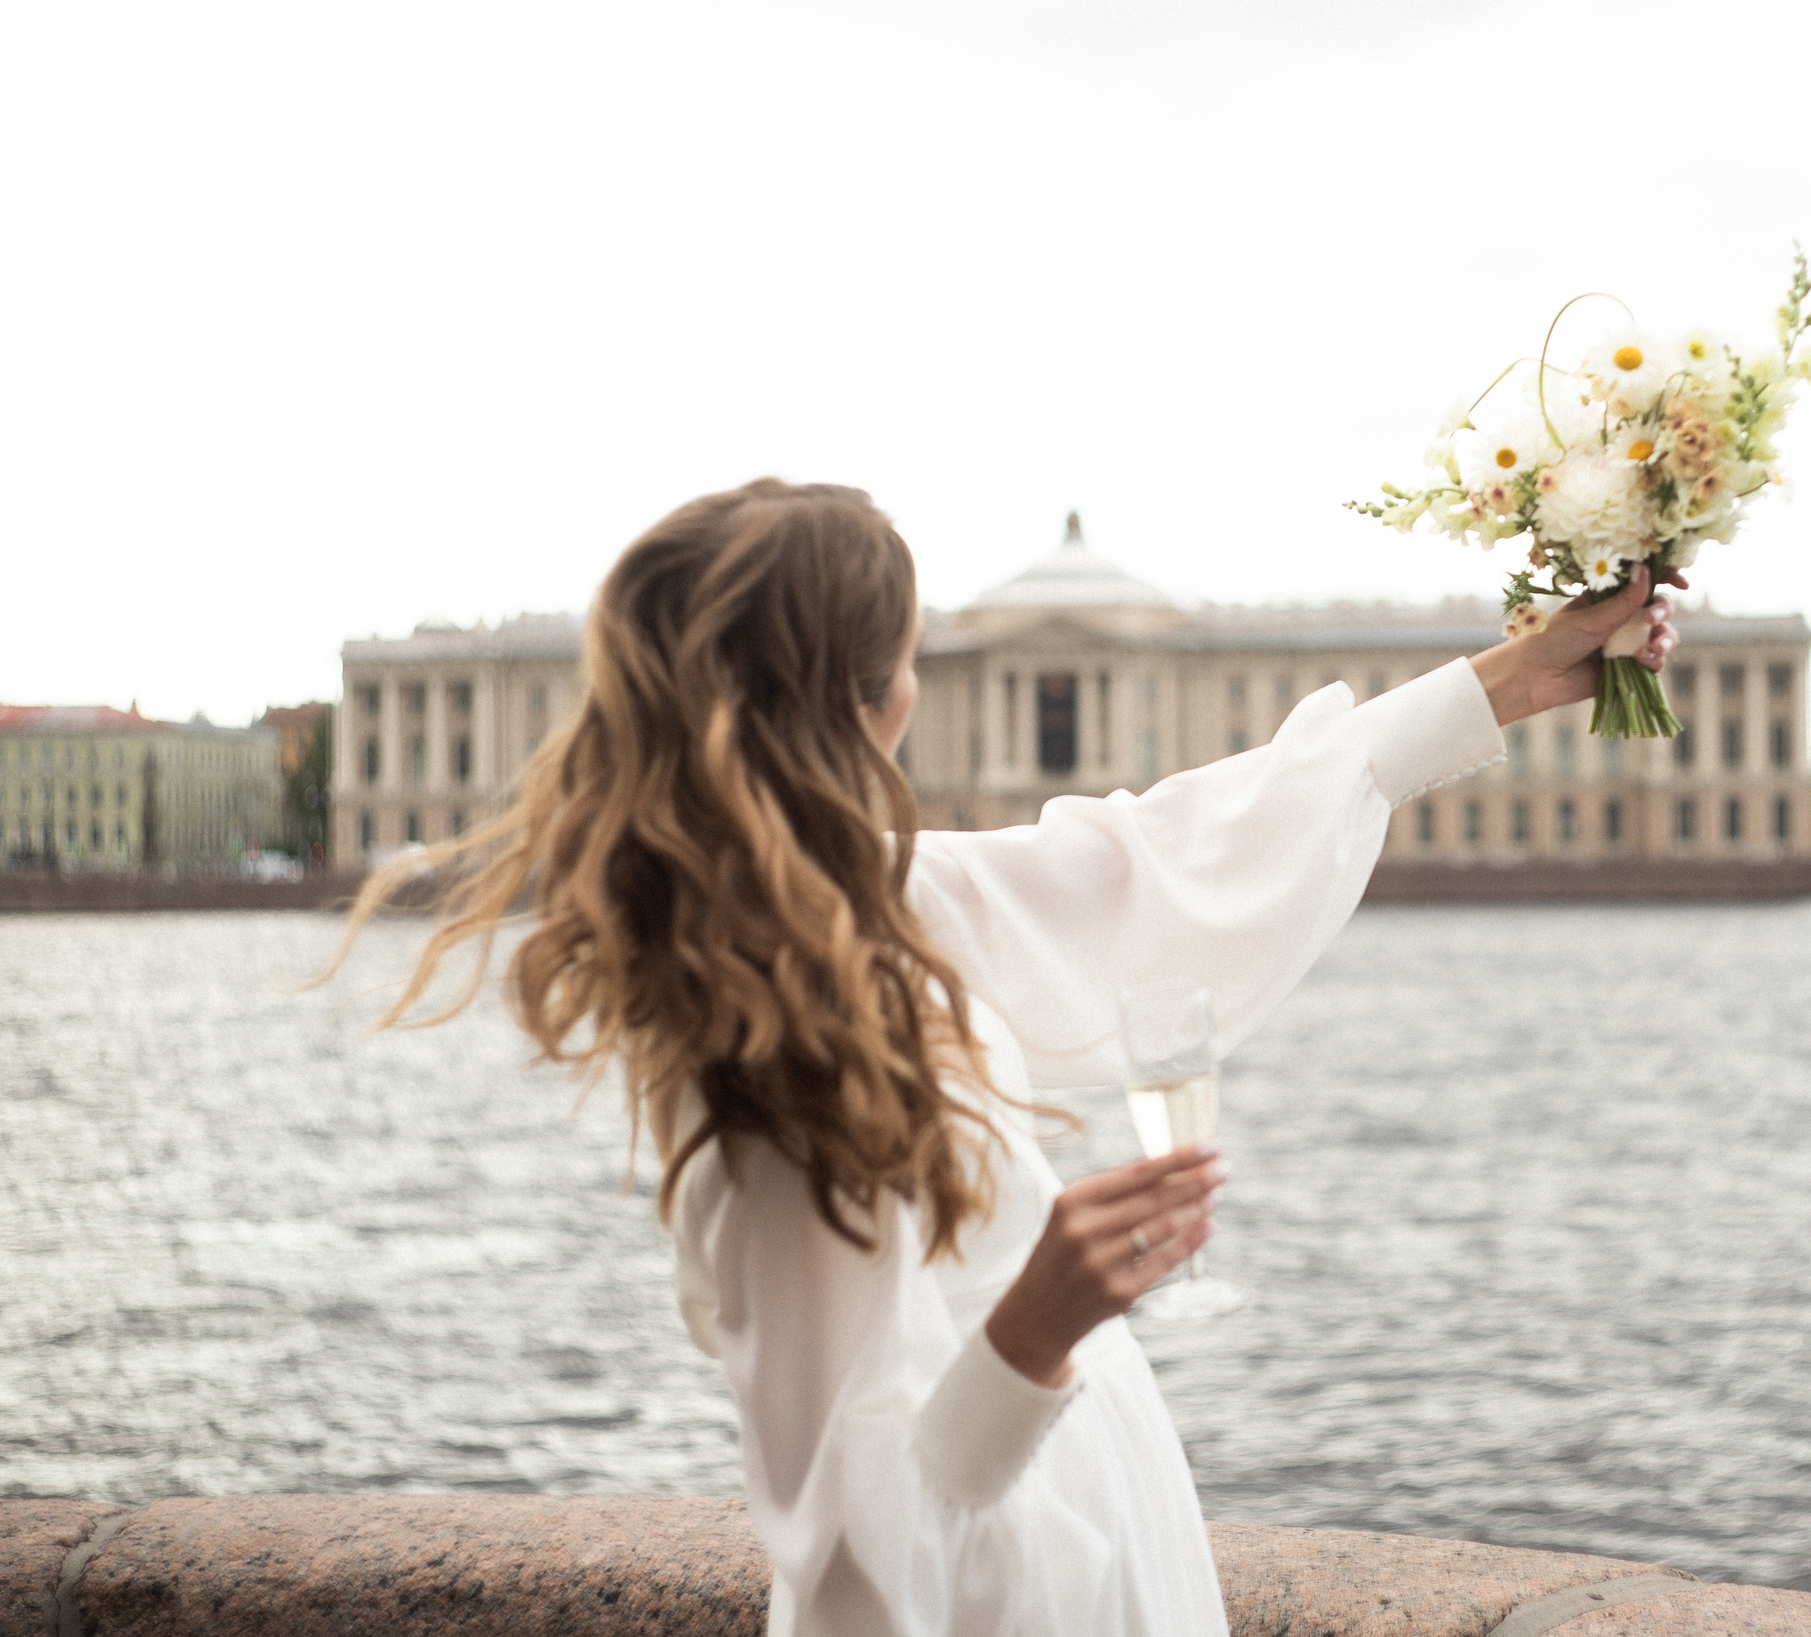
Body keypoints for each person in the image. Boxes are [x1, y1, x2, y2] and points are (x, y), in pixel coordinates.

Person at [342, 478, 1679, 1637]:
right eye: (909, 655)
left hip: (1081, 1534)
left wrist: (1512, 679)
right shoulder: (766, 1069)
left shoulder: (867, 904)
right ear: (861, 706)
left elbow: (1149, 859)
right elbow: (856, 1564)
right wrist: (1039, 1322)